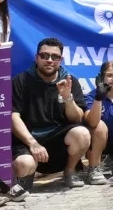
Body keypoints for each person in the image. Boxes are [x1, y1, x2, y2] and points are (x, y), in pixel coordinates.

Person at [12, 37, 96, 189]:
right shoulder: (20, 81)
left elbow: (77, 118)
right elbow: (13, 116)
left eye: (55, 57)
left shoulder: (70, 81)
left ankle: (70, 172)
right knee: (24, 164)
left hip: (59, 142)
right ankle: (27, 175)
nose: (49, 60)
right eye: (44, 56)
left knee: (82, 133)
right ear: (36, 58)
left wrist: (68, 99)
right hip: (29, 141)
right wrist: (32, 143)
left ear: (60, 60)